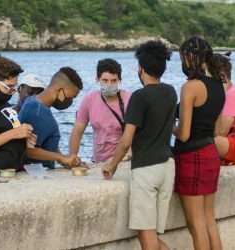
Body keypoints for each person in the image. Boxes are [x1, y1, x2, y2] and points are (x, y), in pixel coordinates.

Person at [102, 41, 177, 250]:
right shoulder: (171, 92)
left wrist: (112, 164)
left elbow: (126, 140)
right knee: (151, 236)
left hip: (146, 169)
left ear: (141, 69)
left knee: (147, 239)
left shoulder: (139, 97)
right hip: (167, 166)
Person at [172, 37, 225, 250]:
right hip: (211, 153)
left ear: (191, 57)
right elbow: (218, 129)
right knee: (209, 220)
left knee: (196, 225)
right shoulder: (219, 85)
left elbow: (183, 134)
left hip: (191, 157)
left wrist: (168, 126)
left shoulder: (191, 87)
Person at [18, 67, 83, 169]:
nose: (71, 101)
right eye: (71, 97)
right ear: (60, 91)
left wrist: (66, 159)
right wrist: (61, 158)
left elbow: (46, 143)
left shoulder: (39, 105)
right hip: (36, 173)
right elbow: (29, 150)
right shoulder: (36, 110)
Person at [69, 58, 131, 163]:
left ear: (120, 80)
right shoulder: (89, 99)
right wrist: (72, 157)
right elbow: (77, 131)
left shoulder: (129, 99)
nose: (109, 84)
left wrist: (128, 156)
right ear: (97, 79)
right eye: (105, 80)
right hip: (98, 162)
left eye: (114, 80)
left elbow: (138, 133)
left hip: (125, 161)